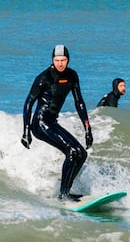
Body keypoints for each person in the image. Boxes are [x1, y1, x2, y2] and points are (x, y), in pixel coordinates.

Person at [21, 45, 93, 201]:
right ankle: (64, 194)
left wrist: (87, 128)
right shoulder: (44, 78)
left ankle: (65, 189)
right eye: (57, 60)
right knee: (73, 152)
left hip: (52, 122)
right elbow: (28, 103)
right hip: (40, 124)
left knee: (81, 154)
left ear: (68, 60)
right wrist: (26, 131)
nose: (60, 63)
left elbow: (79, 102)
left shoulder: (72, 75)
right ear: (52, 60)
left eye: (63, 60)